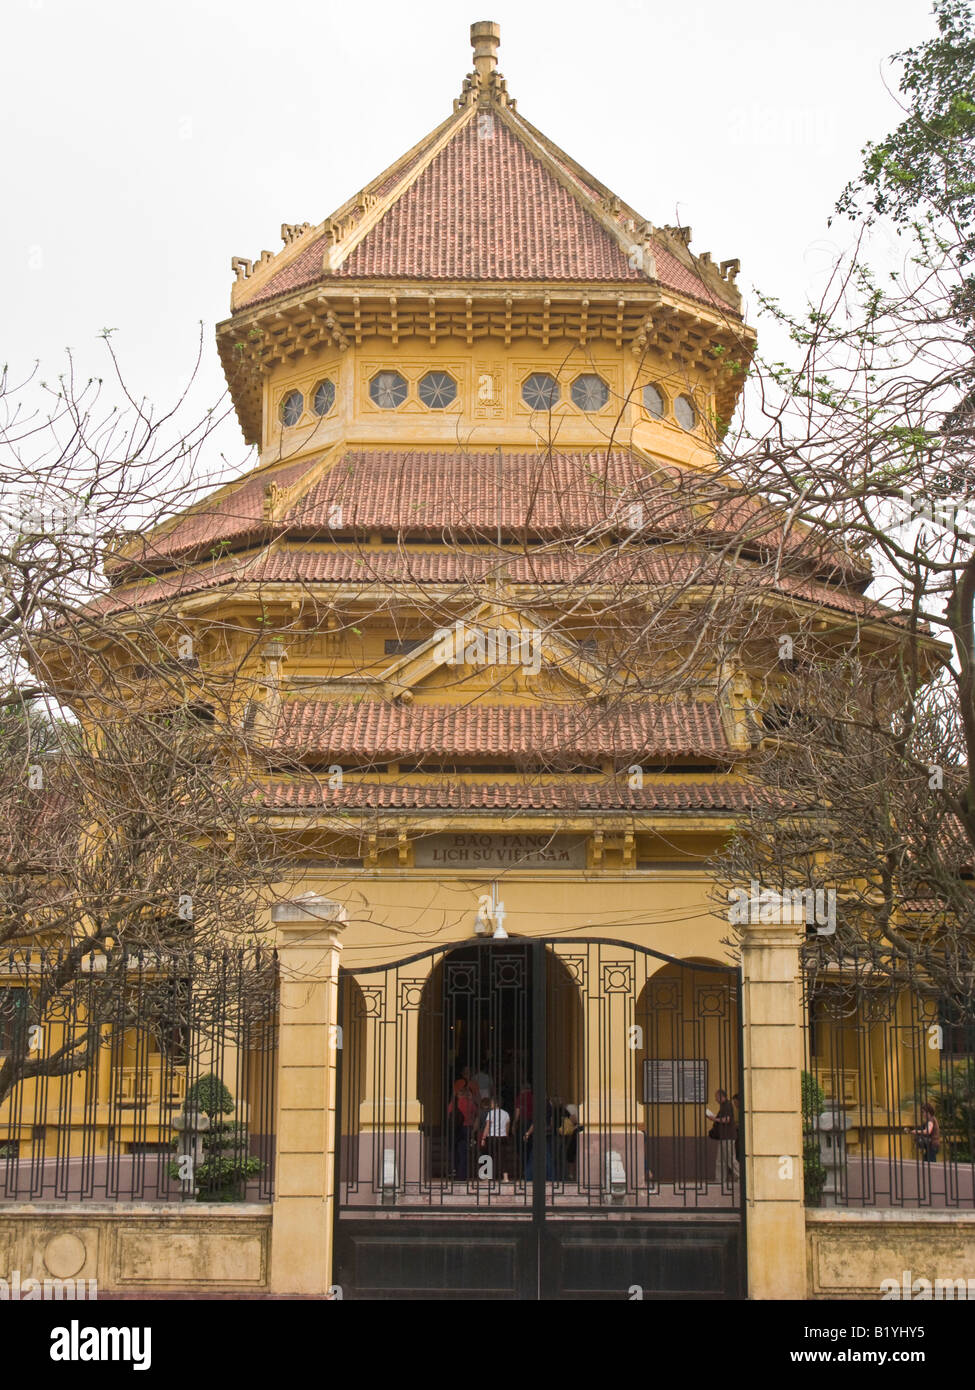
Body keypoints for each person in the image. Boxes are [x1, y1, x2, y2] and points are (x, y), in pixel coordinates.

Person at [447, 1073, 477, 1179]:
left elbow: (449, 1115)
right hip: (467, 1128)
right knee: (464, 1152)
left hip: (455, 1129)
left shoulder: (453, 1104)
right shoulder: (470, 1103)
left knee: (454, 1151)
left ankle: (454, 1171)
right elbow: (474, 1114)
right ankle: (462, 1174)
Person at [709, 1088, 739, 1184]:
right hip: (723, 1137)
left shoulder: (727, 1105)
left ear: (721, 1096)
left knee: (730, 1159)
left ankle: (740, 1176)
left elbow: (727, 1119)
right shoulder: (724, 1106)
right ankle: (719, 1180)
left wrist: (714, 1119)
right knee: (720, 1160)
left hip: (728, 1137)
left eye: (716, 1097)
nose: (715, 1099)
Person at [480, 1095, 511, 1180]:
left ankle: (488, 1177)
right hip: (502, 1137)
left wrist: (483, 1138)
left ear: (496, 1103)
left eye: (492, 1103)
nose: (490, 1104)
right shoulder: (506, 1113)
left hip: (492, 1137)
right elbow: (507, 1127)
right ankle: (505, 1177)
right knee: (503, 1157)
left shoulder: (491, 1113)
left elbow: (487, 1126)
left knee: (490, 1157)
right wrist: (506, 1136)